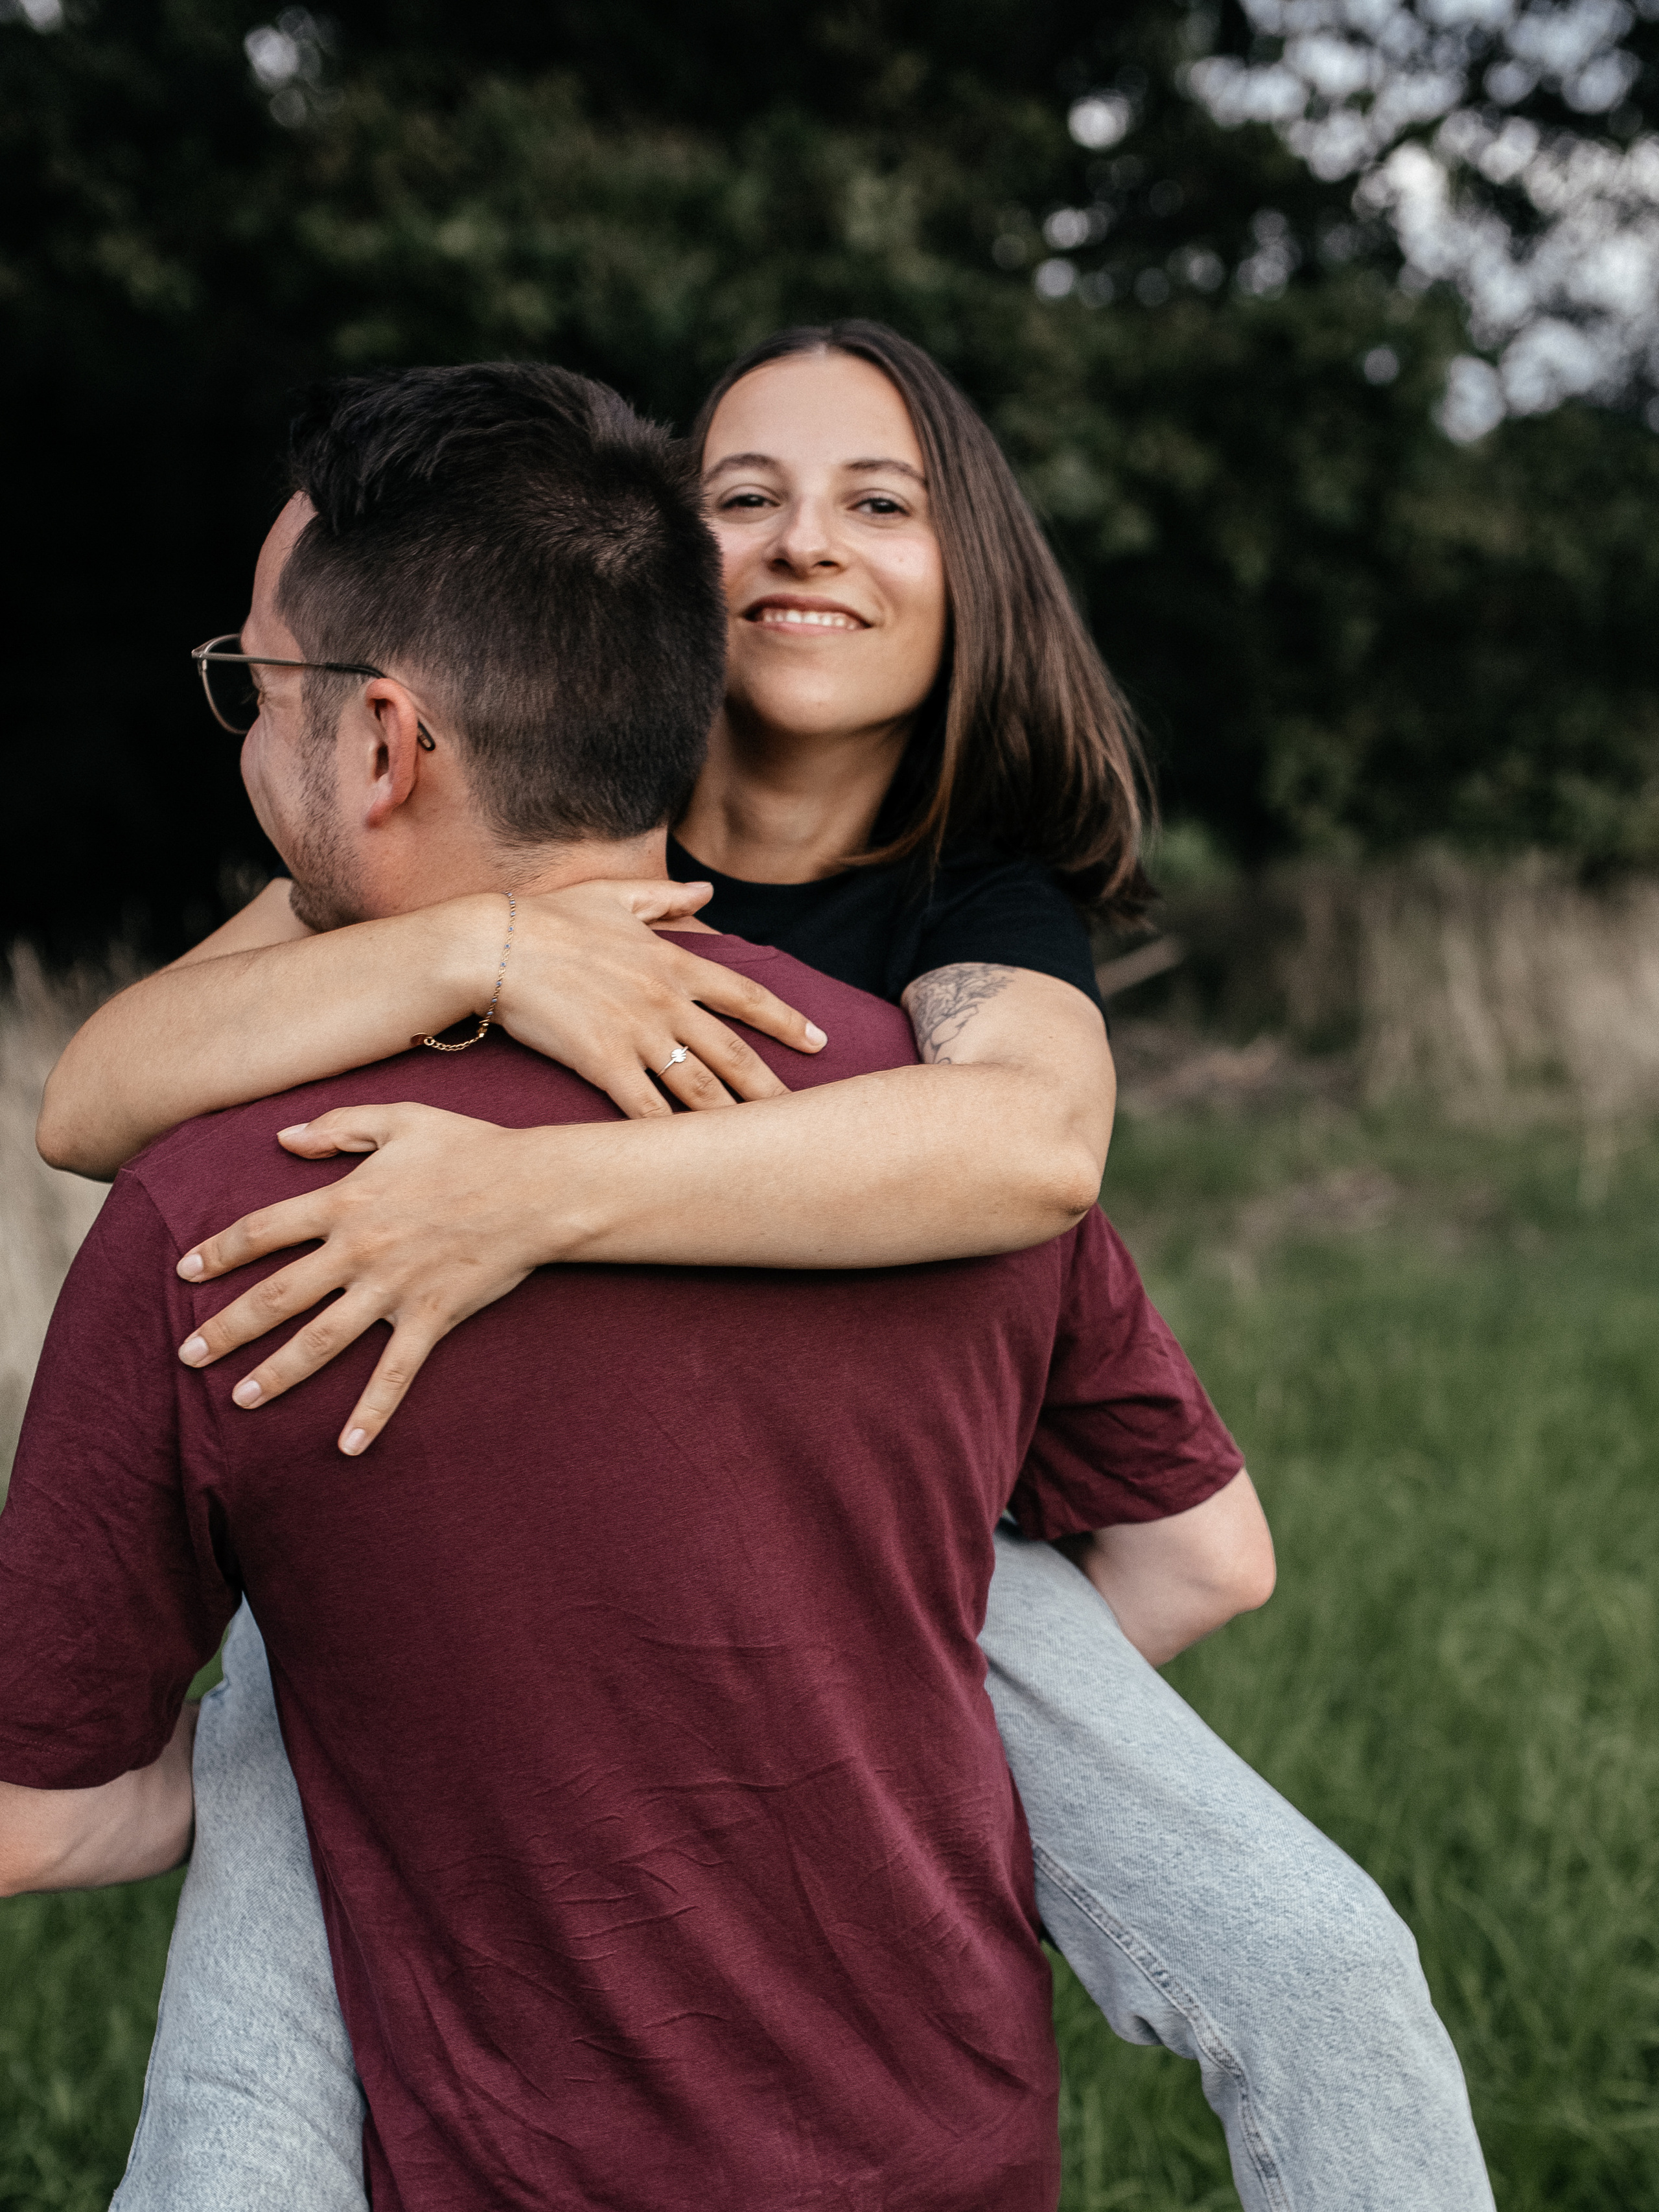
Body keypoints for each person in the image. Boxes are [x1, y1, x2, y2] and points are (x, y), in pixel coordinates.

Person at [40, 327, 1494, 2210]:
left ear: (969, 587)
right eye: (746, 499)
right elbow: (98, 1092)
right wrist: (481, 946)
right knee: (253, 2076)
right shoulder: (548, 779)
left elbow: (1031, 1151)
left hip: (883, 1532)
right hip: (517, 1510)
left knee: (1315, 1956)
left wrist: (532, 1202)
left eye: (877, 504)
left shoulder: (975, 904)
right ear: (655, 580)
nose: (804, 545)